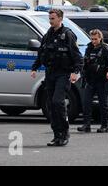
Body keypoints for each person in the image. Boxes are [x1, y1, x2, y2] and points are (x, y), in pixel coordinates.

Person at [31, 9, 83, 147]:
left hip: (64, 74)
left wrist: (76, 71)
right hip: (50, 73)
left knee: (58, 102)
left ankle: (65, 133)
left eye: (53, 18)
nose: (50, 21)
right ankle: (56, 135)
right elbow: (42, 52)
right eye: (50, 18)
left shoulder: (68, 35)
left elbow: (77, 56)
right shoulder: (48, 34)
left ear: (60, 19)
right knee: (51, 105)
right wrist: (35, 67)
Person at [77, 29, 108, 133]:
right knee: (86, 103)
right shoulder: (89, 48)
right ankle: (86, 125)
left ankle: (104, 125)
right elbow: (85, 63)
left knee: (103, 104)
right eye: (92, 39)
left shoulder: (105, 49)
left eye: (95, 39)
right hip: (90, 80)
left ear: (100, 38)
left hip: (102, 80)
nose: (93, 41)